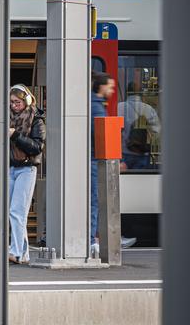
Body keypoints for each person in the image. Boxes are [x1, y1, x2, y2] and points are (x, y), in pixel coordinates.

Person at [7, 85, 45, 264]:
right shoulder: (7, 119)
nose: (14, 106)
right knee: (11, 211)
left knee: (17, 211)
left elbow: (37, 147)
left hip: (27, 168)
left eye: (18, 102)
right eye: (12, 102)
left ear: (27, 101)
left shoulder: (36, 120)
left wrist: (15, 136)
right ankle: (22, 253)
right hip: (10, 167)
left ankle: (17, 251)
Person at [90, 71, 115, 255]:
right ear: (101, 86)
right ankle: (92, 239)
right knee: (94, 200)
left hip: (91, 158)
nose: (112, 90)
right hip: (94, 159)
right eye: (110, 86)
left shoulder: (93, 104)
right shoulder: (97, 107)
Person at [117, 82, 160, 170]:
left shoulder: (119, 107)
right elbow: (157, 131)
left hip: (123, 152)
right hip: (142, 152)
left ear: (127, 92)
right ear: (141, 93)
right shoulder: (148, 109)